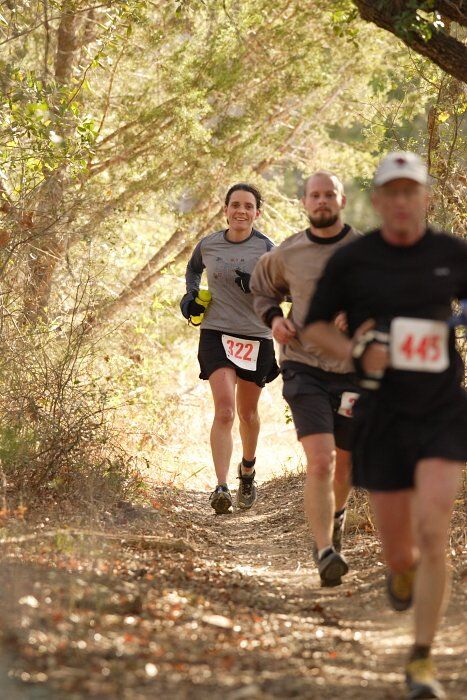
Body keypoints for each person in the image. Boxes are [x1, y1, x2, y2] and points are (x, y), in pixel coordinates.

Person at [303, 152, 467, 699]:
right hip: (382, 416)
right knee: (402, 552)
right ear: (376, 201)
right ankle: (401, 574)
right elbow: (315, 328)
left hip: (443, 412)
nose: (400, 202)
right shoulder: (356, 262)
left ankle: (420, 661)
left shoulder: (450, 254)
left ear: (425, 198)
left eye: (410, 192)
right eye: (390, 192)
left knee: (435, 530)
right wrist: (354, 352)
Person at [250, 170, 361, 587]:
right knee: (321, 459)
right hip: (303, 366)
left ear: (342, 200)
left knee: (345, 461)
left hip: (352, 370)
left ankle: (335, 520)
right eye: (314, 195)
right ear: (304, 203)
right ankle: (325, 552)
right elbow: (263, 289)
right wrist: (275, 319)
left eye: (329, 194)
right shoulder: (288, 253)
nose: (321, 201)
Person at [180, 183, 279, 515]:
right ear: (225, 209)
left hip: (255, 336)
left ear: (257, 213)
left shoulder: (267, 249)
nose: (241, 211)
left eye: (248, 206)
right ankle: (221, 487)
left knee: (248, 414)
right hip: (216, 332)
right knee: (224, 411)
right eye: (235, 205)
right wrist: (190, 296)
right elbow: (193, 269)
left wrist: (255, 285)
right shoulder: (209, 244)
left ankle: (247, 471)